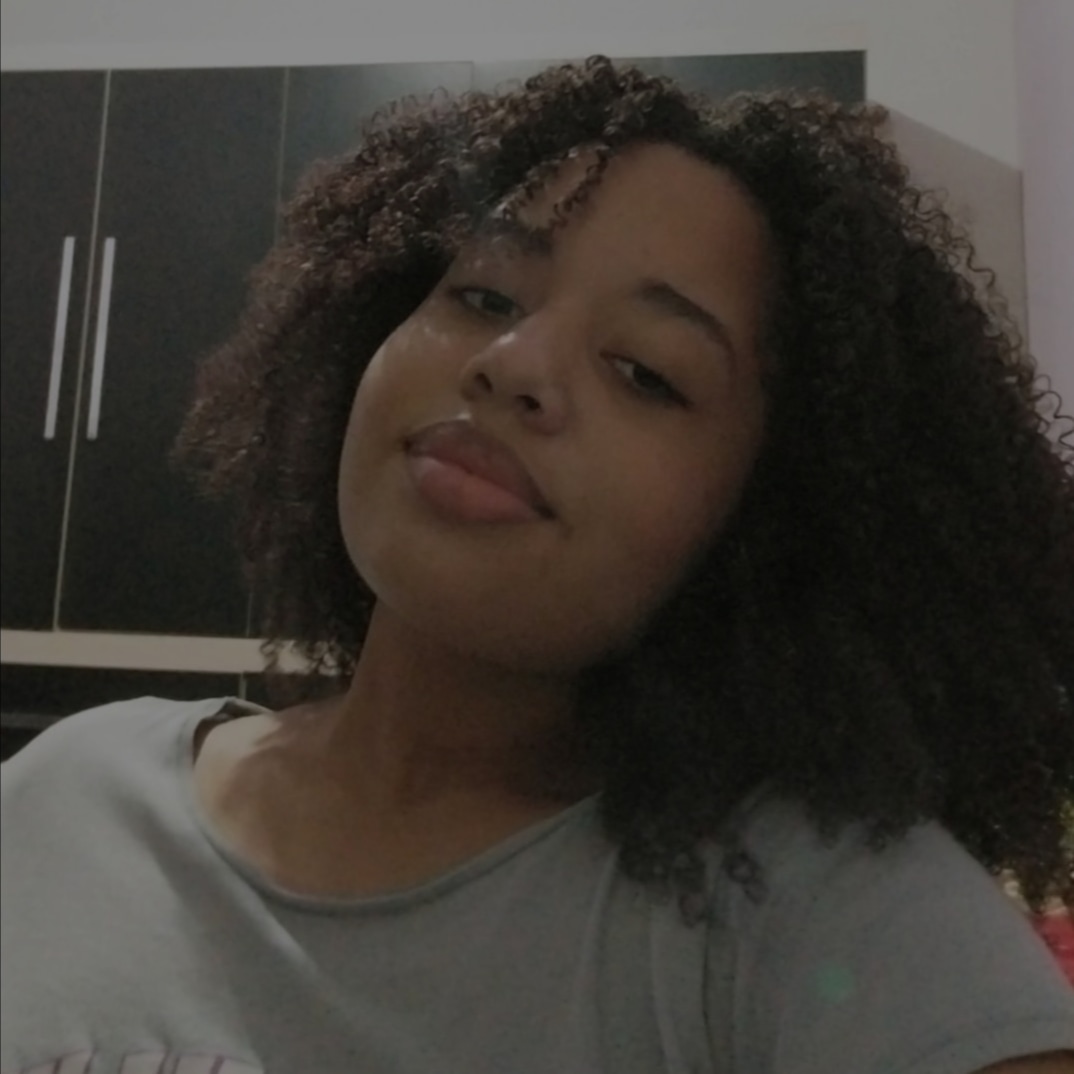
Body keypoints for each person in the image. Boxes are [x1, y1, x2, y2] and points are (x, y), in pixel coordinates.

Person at [2, 56, 1072, 1073]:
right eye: (485, 295)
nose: (511, 363)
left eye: (646, 372)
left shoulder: (798, 904)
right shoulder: (66, 795)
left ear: (771, 519)